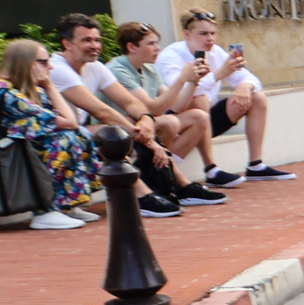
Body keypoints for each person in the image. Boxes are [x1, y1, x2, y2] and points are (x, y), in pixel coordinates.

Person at [50, 14, 210, 210]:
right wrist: (147, 138)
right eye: (87, 40)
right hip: (54, 134)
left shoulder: (95, 67)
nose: (95, 45)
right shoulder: (58, 69)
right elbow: (102, 111)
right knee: (113, 135)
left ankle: (175, 184)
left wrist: (145, 120)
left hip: (79, 130)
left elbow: (131, 102)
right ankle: (143, 196)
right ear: (67, 44)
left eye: (97, 40)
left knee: (141, 125)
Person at [153, 9, 292, 179]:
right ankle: (211, 169)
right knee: (200, 99)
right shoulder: (170, 56)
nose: (210, 38)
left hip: (209, 119)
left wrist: (245, 86)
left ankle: (256, 165)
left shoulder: (216, 52)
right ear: (187, 34)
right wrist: (219, 74)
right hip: (181, 123)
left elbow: (251, 79)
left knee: (257, 97)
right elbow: (181, 95)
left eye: (212, 33)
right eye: (203, 34)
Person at [3, 37, 112, 228]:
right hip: (9, 155)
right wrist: (50, 86)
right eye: (44, 62)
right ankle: (44, 210)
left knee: (81, 134)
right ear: (26, 63)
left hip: (22, 152)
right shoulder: (6, 93)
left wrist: (47, 88)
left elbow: (73, 122)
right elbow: (68, 122)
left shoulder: (31, 89)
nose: (50, 68)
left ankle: (66, 205)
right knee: (64, 139)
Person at [106, 20, 219, 188]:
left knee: (199, 117)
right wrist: (182, 78)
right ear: (132, 47)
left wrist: (193, 81)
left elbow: (176, 107)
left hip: (145, 127)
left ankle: (163, 172)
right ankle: (160, 177)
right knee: (169, 122)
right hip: (120, 130)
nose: (157, 48)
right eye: (150, 44)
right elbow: (152, 109)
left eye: (156, 43)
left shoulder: (149, 68)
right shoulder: (118, 70)